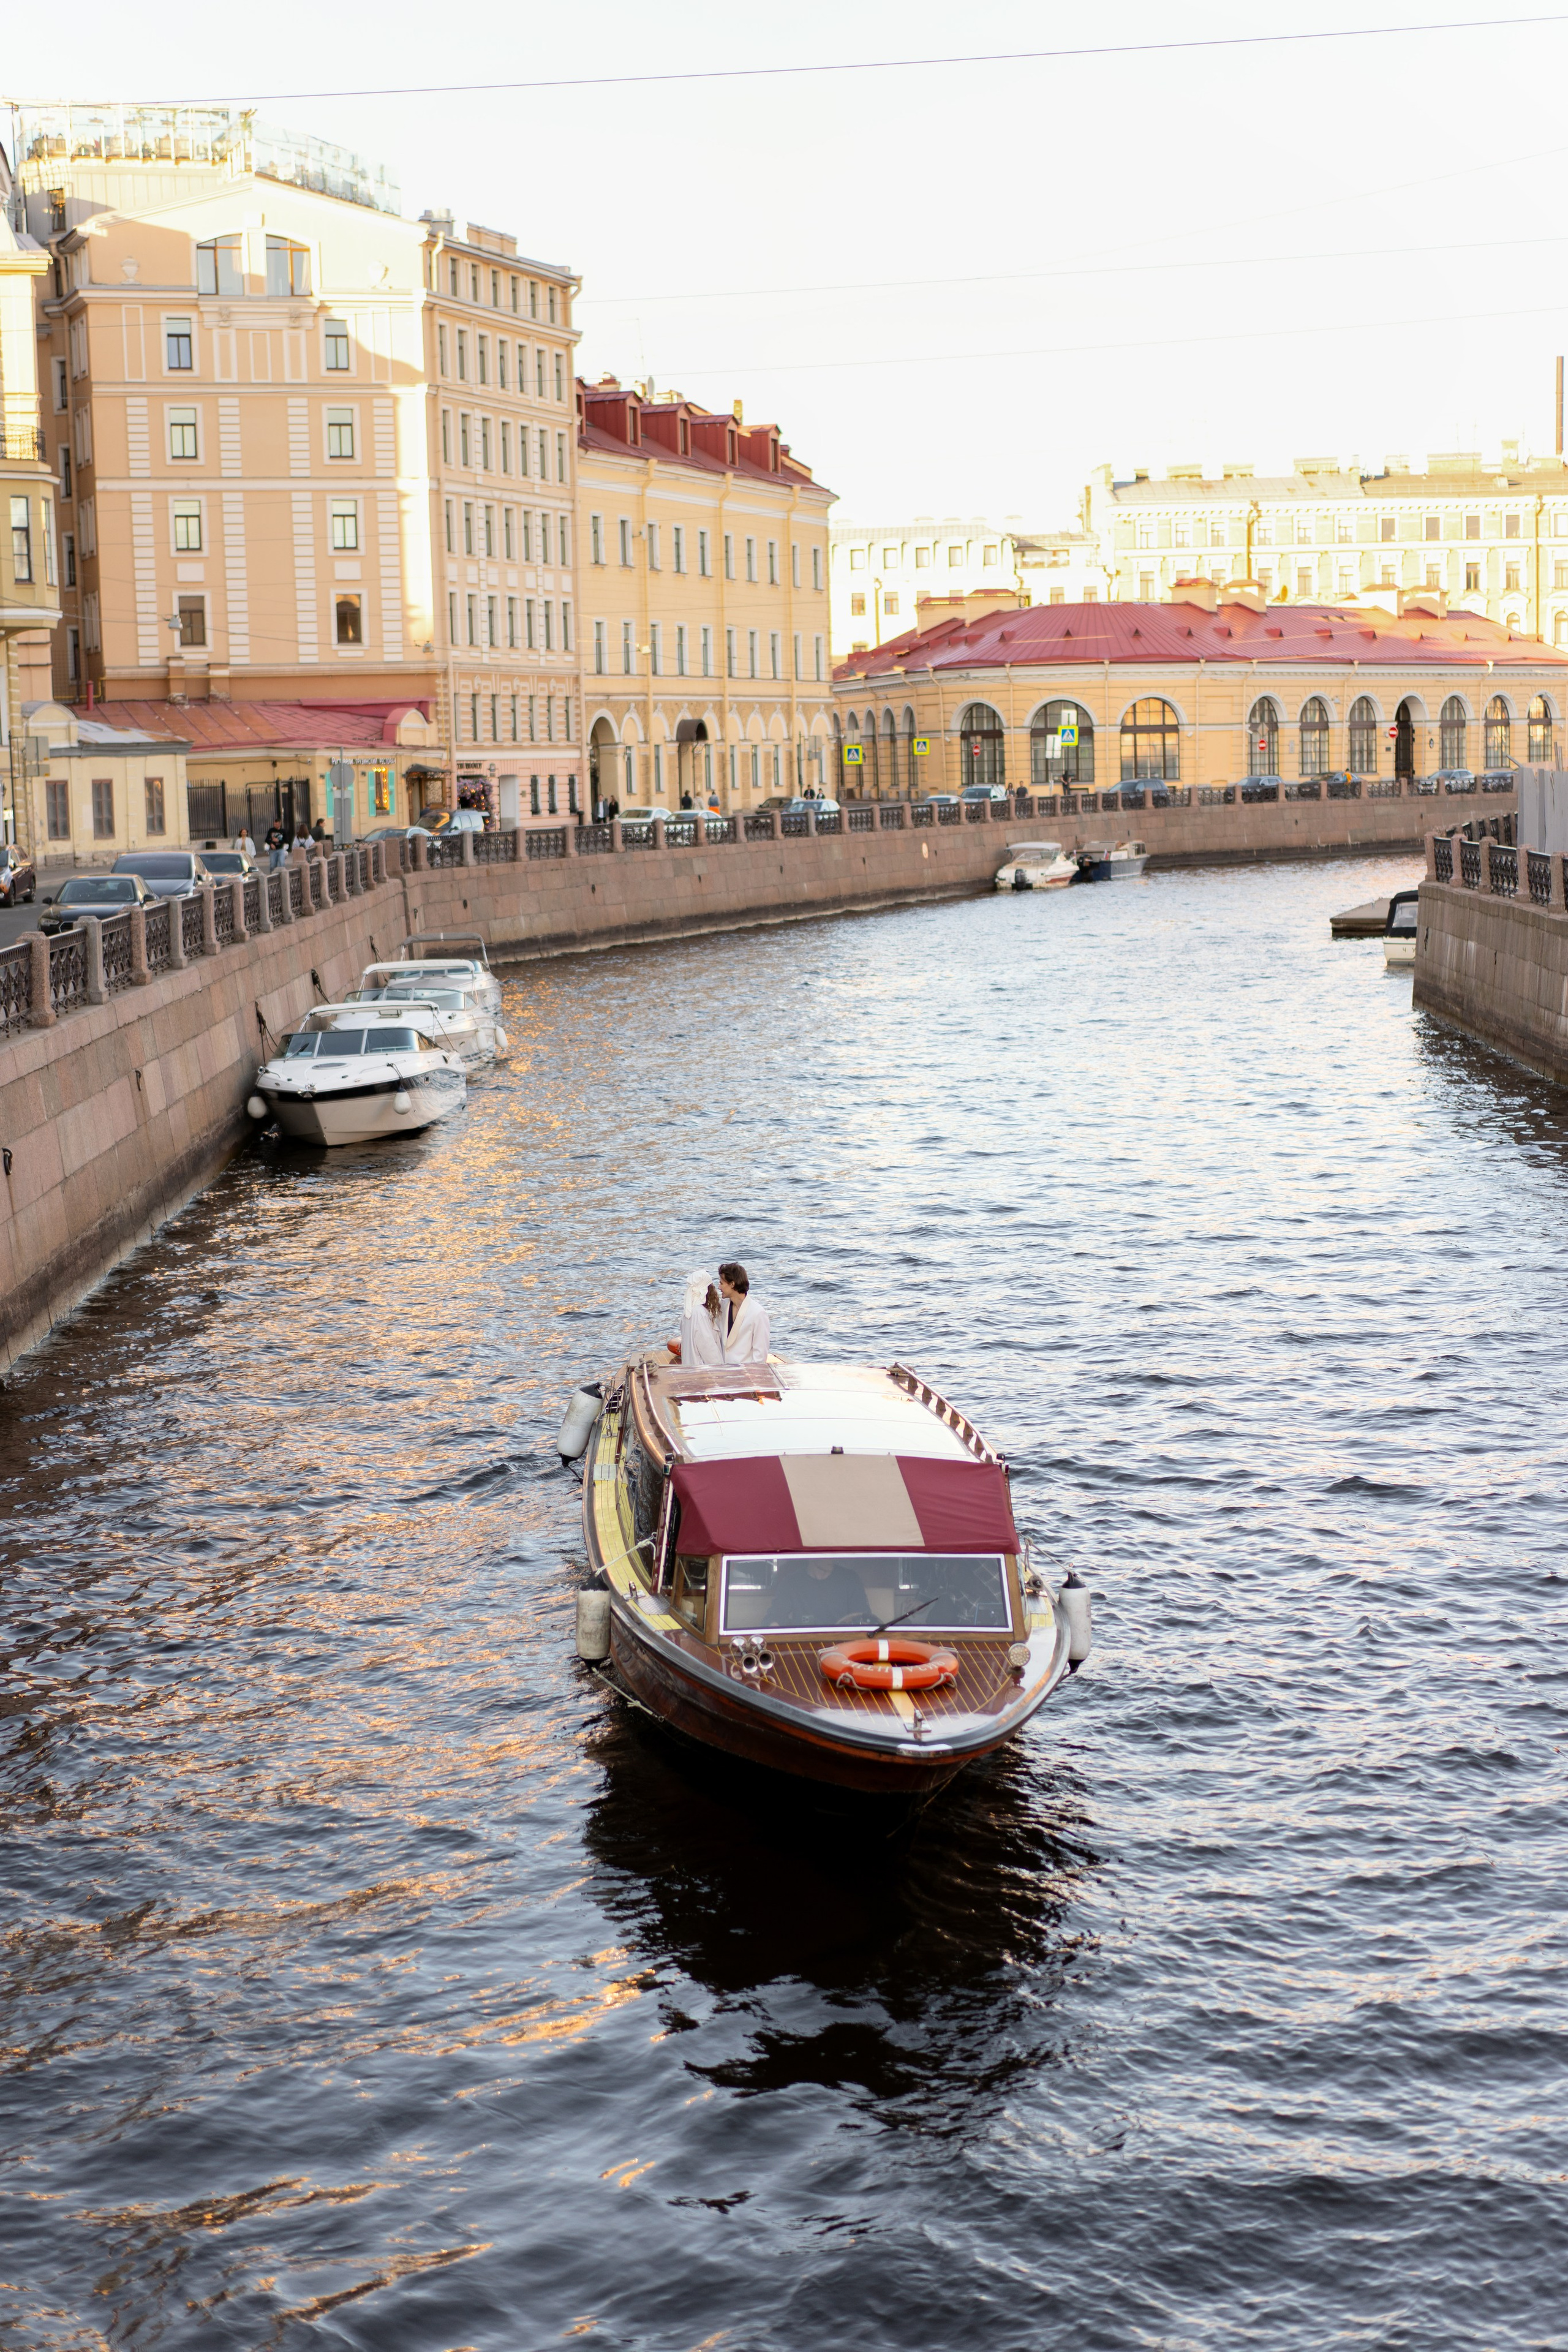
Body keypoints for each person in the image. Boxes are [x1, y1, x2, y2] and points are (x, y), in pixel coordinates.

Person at [718, 1261, 769, 1363]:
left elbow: (760, 1355)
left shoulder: (758, 1313)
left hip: (745, 1374)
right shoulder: (722, 1307)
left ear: (732, 1284)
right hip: (723, 1372)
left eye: (721, 1283)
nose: (719, 1287)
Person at [673, 1272, 725, 1366]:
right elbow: (708, 1348)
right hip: (702, 1372)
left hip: (689, 1369)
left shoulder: (687, 1312)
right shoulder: (699, 1313)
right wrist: (721, 1369)